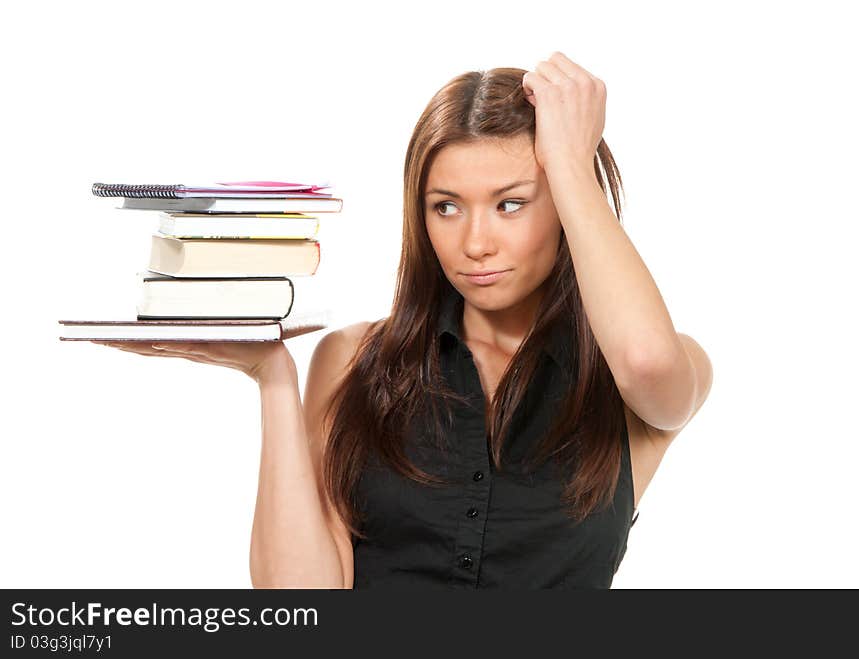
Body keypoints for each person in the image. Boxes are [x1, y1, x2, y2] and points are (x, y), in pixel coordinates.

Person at [94, 51, 713, 589]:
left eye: (511, 204)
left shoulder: (643, 382)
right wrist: (272, 376)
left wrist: (573, 163)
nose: (476, 242)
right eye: (446, 207)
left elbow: (645, 360)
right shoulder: (356, 360)